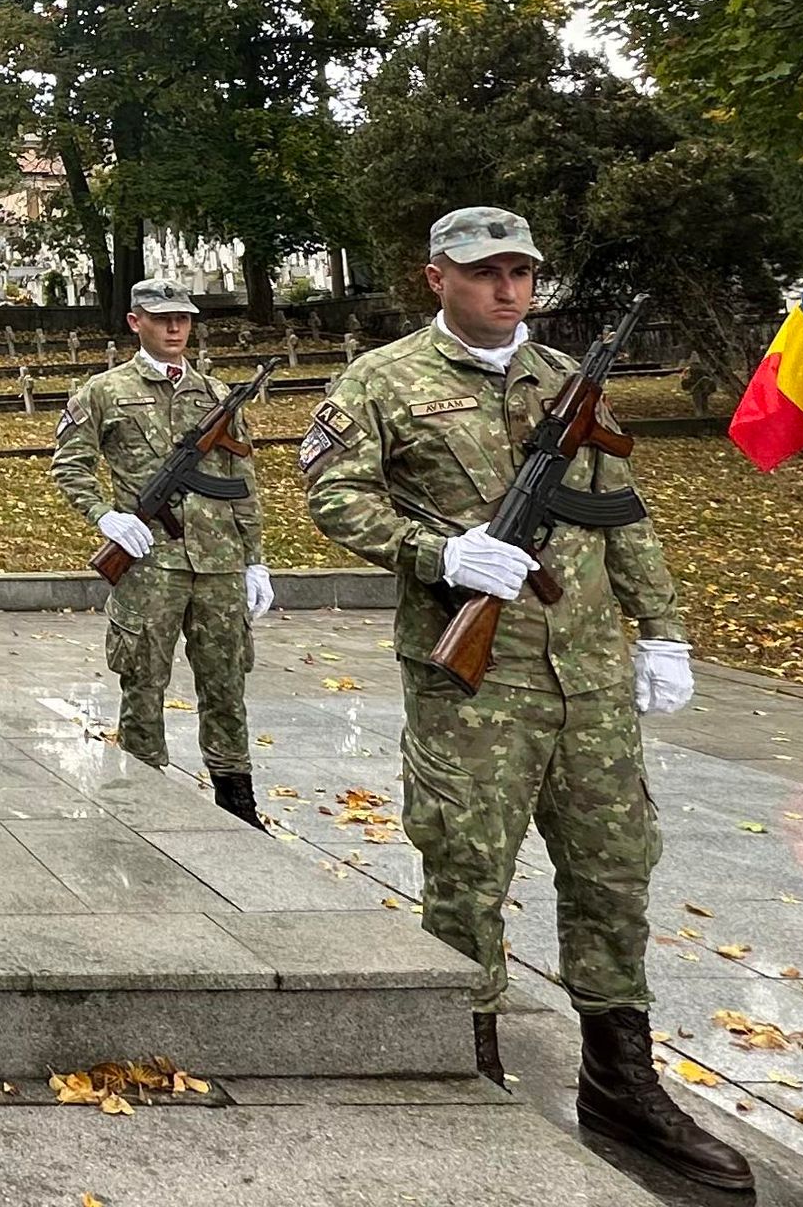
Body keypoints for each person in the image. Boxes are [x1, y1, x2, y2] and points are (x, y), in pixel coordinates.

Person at [303, 208, 749, 1193]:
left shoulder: (565, 381)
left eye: (519, 271)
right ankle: (465, 1062)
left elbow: (620, 511)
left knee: (612, 871)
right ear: (436, 278)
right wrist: (438, 551)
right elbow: (332, 495)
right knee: (465, 873)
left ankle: (619, 1076)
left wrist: (662, 626)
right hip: (474, 683)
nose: (507, 288)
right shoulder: (381, 381)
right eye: (484, 272)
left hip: (586, 675)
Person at [50, 278, 273, 825]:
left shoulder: (218, 396)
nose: (176, 328)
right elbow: (69, 467)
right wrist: (106, 516)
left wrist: (254, 559)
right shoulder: (101, 392)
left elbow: (240, 479)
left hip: (219, 564)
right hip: (151, 563)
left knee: (226, 683)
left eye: (183, 319)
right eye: (162, 318)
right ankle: (145, 797)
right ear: (135, 322)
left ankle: (237, 801)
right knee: (144, 682)